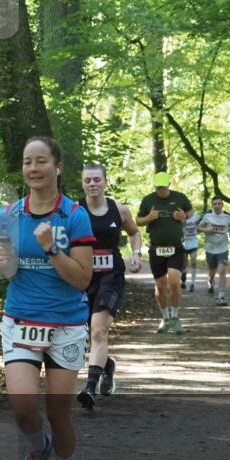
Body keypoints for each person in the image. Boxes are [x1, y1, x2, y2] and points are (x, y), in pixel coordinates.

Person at [0, 137, 95, 460]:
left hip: (66, 323)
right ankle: (37, 448)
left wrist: (52, 248)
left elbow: (82, 280)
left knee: (59, 412)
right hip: (20, 318)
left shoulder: (75, 215)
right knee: (22, 406)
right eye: (27, 162)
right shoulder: (9, 215)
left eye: (41, 161)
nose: (33, 169)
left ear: (57, 167)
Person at [74, 163, 142, 409]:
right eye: (87, 180)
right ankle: (107, 365)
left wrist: (136, 253)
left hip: (111, 276)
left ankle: (90, 387)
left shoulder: (119, 210)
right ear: (83, 184)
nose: (92, 184)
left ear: (105, 182)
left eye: (96, 180)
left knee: (99, 330)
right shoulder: (74, 211)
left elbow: (134, 232)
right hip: (81, 277)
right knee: (81, 332)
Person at [136, 172, 193, 334]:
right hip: (156, 248)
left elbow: (191, 212)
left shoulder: (179, 197)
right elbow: (138, 221)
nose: (160, 190)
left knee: (174, 281)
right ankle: (165, 318)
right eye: (158, 187)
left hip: (175, 247)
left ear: (168, 185)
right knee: (160, 286)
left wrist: (183, 216)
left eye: (163, 187)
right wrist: (149, 217)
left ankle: (175, 318)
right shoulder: (148, 200)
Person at [197, 196, 230, 305]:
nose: (217, 206)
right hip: (210, 248)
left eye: (219, 204)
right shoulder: (207, 216)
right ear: (212, 205)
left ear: (222, 205)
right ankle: (210, 281)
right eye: (215, 204)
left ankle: (221, 296)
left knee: (222, 271)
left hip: (223, 248)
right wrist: (206, 230)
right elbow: (197, 229)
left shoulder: (227, 217)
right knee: (212, 271)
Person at [180, 211, 200, 293]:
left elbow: (200, 226)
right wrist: (182, 222)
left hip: (193, 242)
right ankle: (183, 280)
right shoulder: (181, 215)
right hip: (184, 243)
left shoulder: (196, 215)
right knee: (184, 264)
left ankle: (192, 283)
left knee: (193, 262)